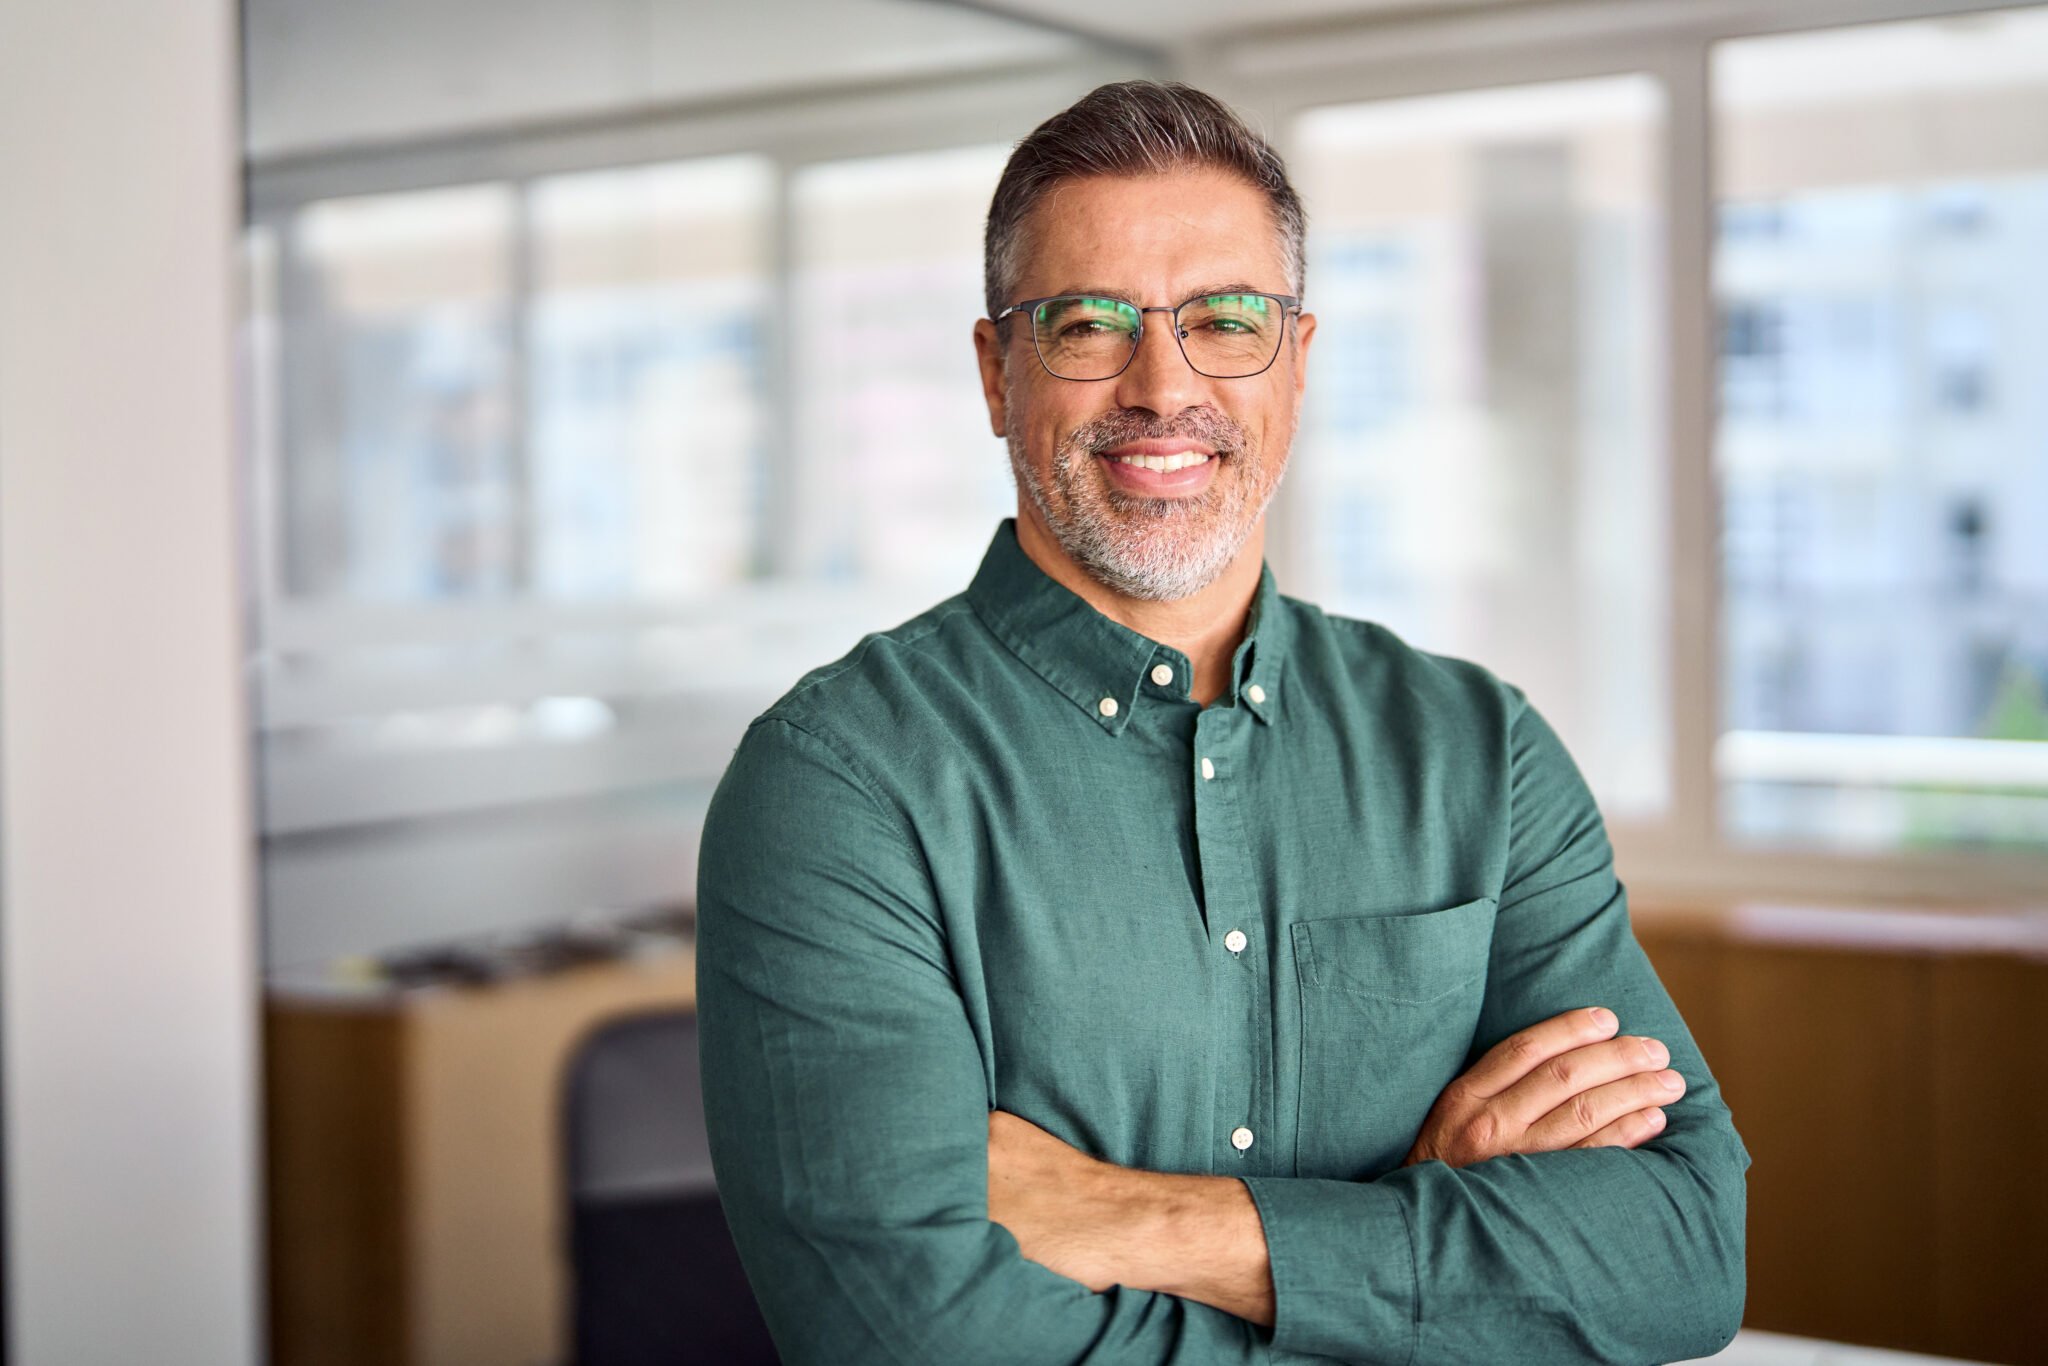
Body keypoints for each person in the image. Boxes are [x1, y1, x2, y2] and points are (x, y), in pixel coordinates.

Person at [695, 80, 1748, 1365]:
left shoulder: (1479, 750)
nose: (1161, 385)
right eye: (1086, 323)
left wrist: (1136, 1219)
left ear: (1295, 366)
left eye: (1226, 321)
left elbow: (1684, 1250)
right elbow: (919, 1340)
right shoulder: (838, 785)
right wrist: (1421, 1254)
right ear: (994, 371)